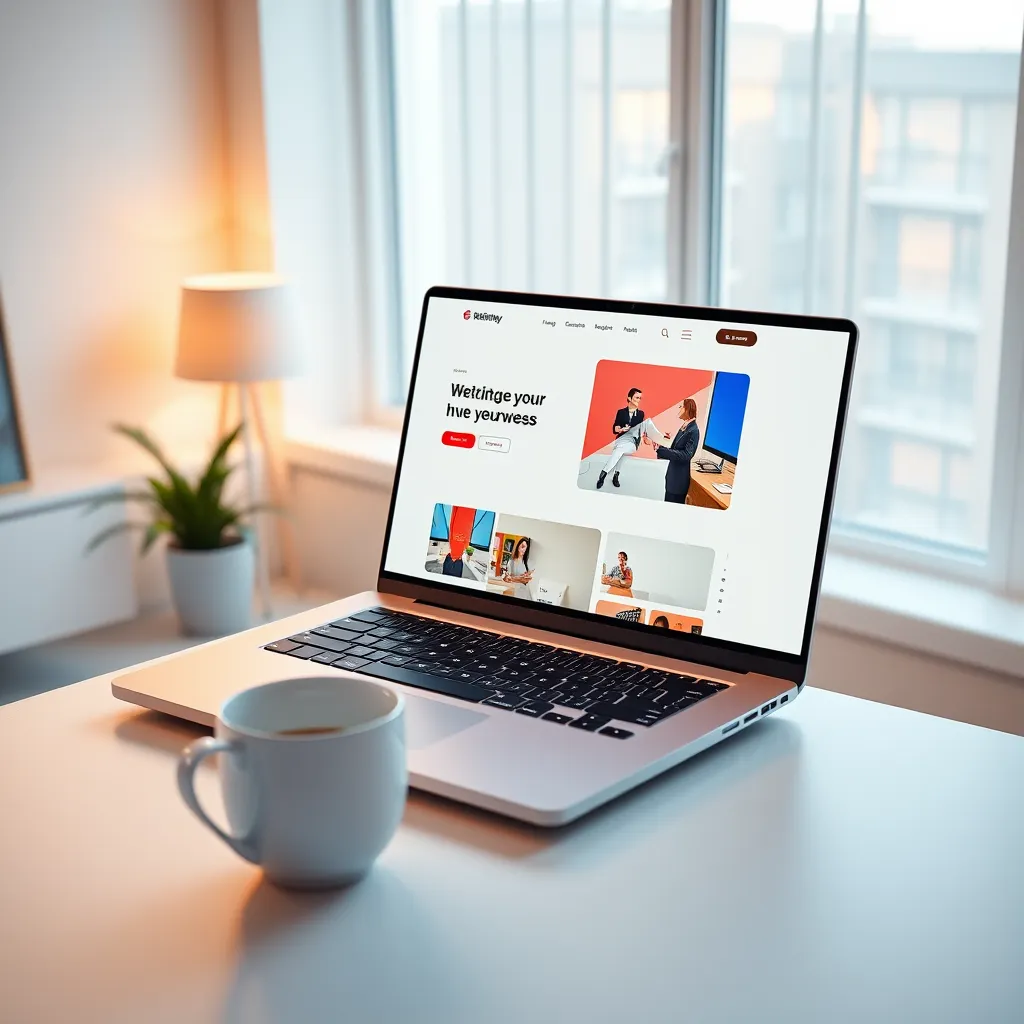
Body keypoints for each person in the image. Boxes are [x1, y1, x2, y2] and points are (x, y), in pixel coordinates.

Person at [597, 388, 670, 490]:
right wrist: (622, 429)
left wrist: (648, 438)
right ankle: (615, 475)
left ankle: (603, 474)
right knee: (621, 452)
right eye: (636, 397)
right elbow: (615, 428)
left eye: (640, 398)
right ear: (629, 398)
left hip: (633, 441)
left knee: (621, 449)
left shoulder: (640, 414)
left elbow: (643, 430)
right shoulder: (621, 412)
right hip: (621, 439)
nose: (638, 400)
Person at [653, 397, 700, 503]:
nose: (679, 409)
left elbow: (686, 455)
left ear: (687, 409)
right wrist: (664, 441)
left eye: (681, 407)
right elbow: (676, 449)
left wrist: (660, 449)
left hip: (678, 482)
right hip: (672, 479)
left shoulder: (693, 430)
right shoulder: (685, 426)